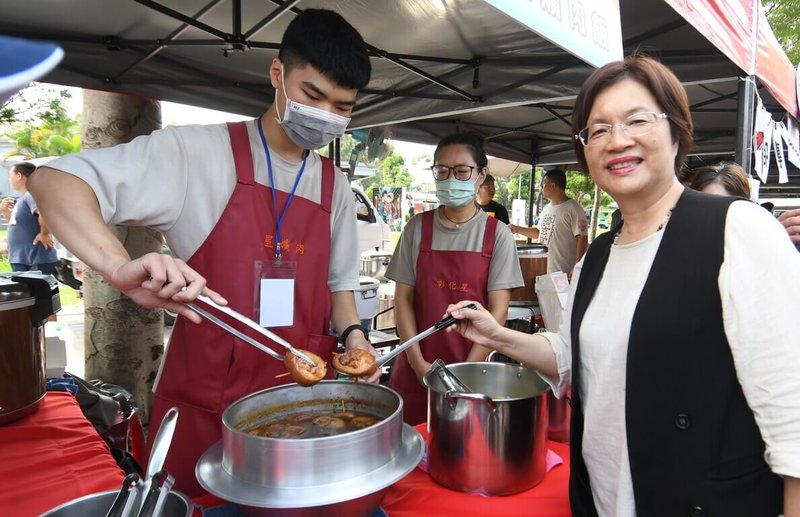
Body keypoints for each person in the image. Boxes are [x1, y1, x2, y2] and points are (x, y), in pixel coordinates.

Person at [28, 9, 380, 496]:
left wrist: (357, 336)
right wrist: (119, 265)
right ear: (277, 75)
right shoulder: (197, 153)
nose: (325, 116)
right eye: (312, 96)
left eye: (342, 108)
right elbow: (55, 181)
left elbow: (339, 291)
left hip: (301, 409)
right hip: (206, 410)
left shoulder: (334, 185)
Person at [446, 56, 800, 516]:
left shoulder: (737, 229)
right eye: (598, 130)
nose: (617, 141)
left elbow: (792, 424)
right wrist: (496, 335)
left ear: (676, 133)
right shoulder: (597, 255)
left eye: (636, 120)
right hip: (602, 500)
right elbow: (576, 355)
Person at [385, 132, 523, 425]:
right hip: (414, 366)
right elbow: (403, 299)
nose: (451, 179)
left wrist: (465, 369)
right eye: (442, 171)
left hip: (471, 372)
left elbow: (498, 311)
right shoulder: (416, 228)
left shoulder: (497, 234)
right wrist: (417, 362)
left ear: (481, 174)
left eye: (461, 171)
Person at [509, 168, 588, 275]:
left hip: (563, 272)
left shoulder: (574, 208)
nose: (541, 188)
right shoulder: (547, 208)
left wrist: (578, 266)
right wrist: (517, 229)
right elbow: (538, 232)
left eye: (543, 184)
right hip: (543, 270)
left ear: (552, 185)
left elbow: (582, 238)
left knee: (561, 293)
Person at [1, 162, 58, 275]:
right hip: (22, 258)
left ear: (19, 176)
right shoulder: (25, 197)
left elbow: (44, 212)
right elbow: (18, 225)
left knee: (35, 291)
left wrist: (44, 233)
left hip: (34, 258)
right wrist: (5, 211)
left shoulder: (31, 194)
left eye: (10, 175)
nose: (9, 179)